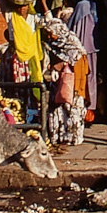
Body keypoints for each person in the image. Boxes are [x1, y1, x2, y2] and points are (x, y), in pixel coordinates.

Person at [41, 16, 89, 145]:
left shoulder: (71, 41)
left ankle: (72, 137)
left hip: (72, 82)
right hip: (57, 83)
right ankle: (58, 136)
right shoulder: (53, 44)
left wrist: (62, 64)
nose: (50, 37)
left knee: (72, 109)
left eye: (51, 33)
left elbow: (78, 57)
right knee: (57, 109)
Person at [66, 0, 98, 122]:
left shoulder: (75, 20)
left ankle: (81, 110)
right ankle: (90, 111)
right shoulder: (92, 19)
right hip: (91, 52)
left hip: (77, 54)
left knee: (79, 82)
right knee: (91, 80)